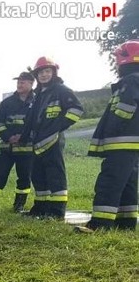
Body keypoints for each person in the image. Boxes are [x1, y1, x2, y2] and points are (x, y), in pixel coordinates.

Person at [77, 40, 139, 233]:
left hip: (122, 142)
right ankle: (126, 223)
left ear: (125, 58)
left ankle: (99, 224)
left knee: (109, 181)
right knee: (127, 183)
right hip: (130, 144)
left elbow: (126, 107)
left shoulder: (130, 80)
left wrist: (112, 128)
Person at [19, 57, 84, 219]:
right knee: (38, 176)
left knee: (55, 176)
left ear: (53, 72)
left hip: (53, 141)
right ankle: (40, 208)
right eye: (41, 72)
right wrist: (24, 136)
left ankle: (57, 211)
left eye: (47, 71)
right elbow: (31, 118)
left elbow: (76, 110)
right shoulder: (38, 94)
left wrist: (58, 126)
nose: (44, 75)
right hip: (37, 143)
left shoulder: (61, 90)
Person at [0, 72, 35, 212]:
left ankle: (19, 206)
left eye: (23, 82)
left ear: (31, 83)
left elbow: (38, 125)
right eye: (18, 81)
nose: (19, 84)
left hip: (27, 149)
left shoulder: (37, 102)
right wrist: (8, 136)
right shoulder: (7, 102)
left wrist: (24, 137)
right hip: (7, 148)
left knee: (24, 179)